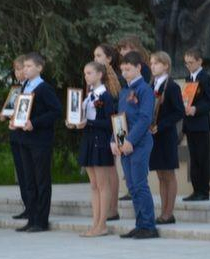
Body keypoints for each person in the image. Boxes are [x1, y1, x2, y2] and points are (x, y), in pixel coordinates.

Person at [9, 53, 61, 233]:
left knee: (41, 180)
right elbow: (22, 110)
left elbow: (55, 111)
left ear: (39, 68)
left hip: (39, 140)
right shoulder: (24, 87)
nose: (25, 69)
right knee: (29, 179)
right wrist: (15, 120)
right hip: (24, 139)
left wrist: (35, 123)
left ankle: (41, 220)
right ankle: (31, 218)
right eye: (24, 67)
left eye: (29, 66)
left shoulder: (44, 88)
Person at [111, 51, 158, 239]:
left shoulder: (144, 89)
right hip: (125, 144)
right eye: (122, 69)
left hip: (139, 142)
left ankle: (149, 225)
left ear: (139, 68)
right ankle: (140, 224)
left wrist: (130, 140)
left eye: (128, 69)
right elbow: (118, 118)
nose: (124, 73)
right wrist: (114, 140)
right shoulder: (124, 91)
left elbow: (145, 118)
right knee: (131, 185)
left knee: (139, 184)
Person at [67, 61, 115, 237]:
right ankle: (95, 222)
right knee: (94, 185)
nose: (86, 76)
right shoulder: (88, 96)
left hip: (100, 141)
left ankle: (103, 223)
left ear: (99, 75)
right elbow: (82, 117)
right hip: (88, 140)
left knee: (102, 184)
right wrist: (73, 122)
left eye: (89, 73)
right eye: (85, 73)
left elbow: (110, 122)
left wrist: (89, 123)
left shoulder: (105, 96)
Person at [148, 52, 184, 224]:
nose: (153, 66)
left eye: (157, 63)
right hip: (153, 138)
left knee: (168, 173)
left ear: (166, 66)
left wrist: (160, 126)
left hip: (166, 135)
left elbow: (179, 111)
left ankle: (169, 212)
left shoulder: (172, 87)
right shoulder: (150, 86)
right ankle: (163, 211)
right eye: (151, 63)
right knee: (160, 175)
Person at [181, 48, 210, 201]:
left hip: (201, 124)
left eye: (191, 62)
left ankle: (204, 191)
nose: (188, 65)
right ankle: (196, 190)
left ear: (199, 61)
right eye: (186, 63)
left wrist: (196, 109)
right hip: (190, 124)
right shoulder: (188, 78)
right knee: (194, 158)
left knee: (202, 157)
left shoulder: (206, 77)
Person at [92, 44, 123, 219]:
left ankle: (113, 208)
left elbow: (119, 105)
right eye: (94, 55)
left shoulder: (116, 79)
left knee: (111, 168)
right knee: (105, 168)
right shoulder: (95, 79)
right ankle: (106, 208)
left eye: (99, 55)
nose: (95, 58)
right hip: (99, 128)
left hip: (114, 126)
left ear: (109, 59)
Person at [0, 56, 30, 220]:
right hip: (15, 135)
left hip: (26, 134)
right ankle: (27, 205)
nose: (19, 72)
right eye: (16, 69)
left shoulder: (32, 88)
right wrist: (5, 114)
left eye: (21, 68)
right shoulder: (16, 89)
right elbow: (11, 109)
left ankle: (33, 206)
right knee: (21, 171)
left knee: (28, 172)